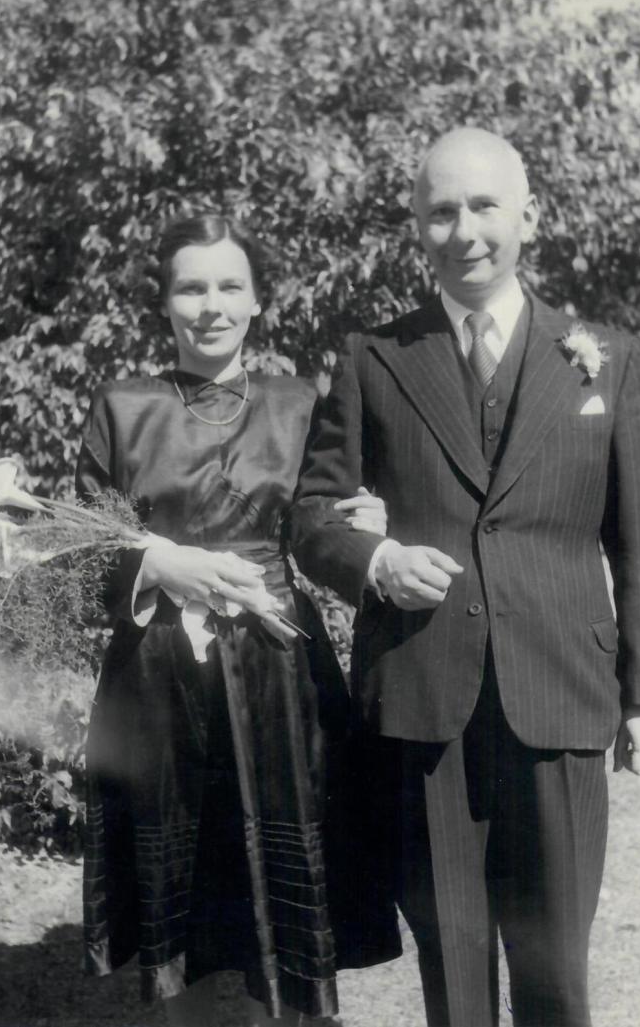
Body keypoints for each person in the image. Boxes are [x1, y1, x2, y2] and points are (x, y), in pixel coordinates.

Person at [289, 128, 640, 1027]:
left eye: (484, 206)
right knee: (454, 974)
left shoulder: (608, 360)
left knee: (558, 971)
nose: (464, 230)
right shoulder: (374, 358)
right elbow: (309, 520)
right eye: (440, 211)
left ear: (528, 217)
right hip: (424, 702)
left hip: (562, 698)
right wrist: (377, 562)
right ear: (416, 227)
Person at [75, 213, 400, 1027]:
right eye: (191, 287)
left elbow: (328, 522)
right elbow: (78, 551)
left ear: (257, 302)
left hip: (279, 676)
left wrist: (376, 520)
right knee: (178, 904)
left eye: (229, 286)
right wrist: (158, 562)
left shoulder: (301, 405)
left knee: (285, 893)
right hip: (156, 679)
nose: (210, 305)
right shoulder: (123, 409)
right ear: (165, 303)